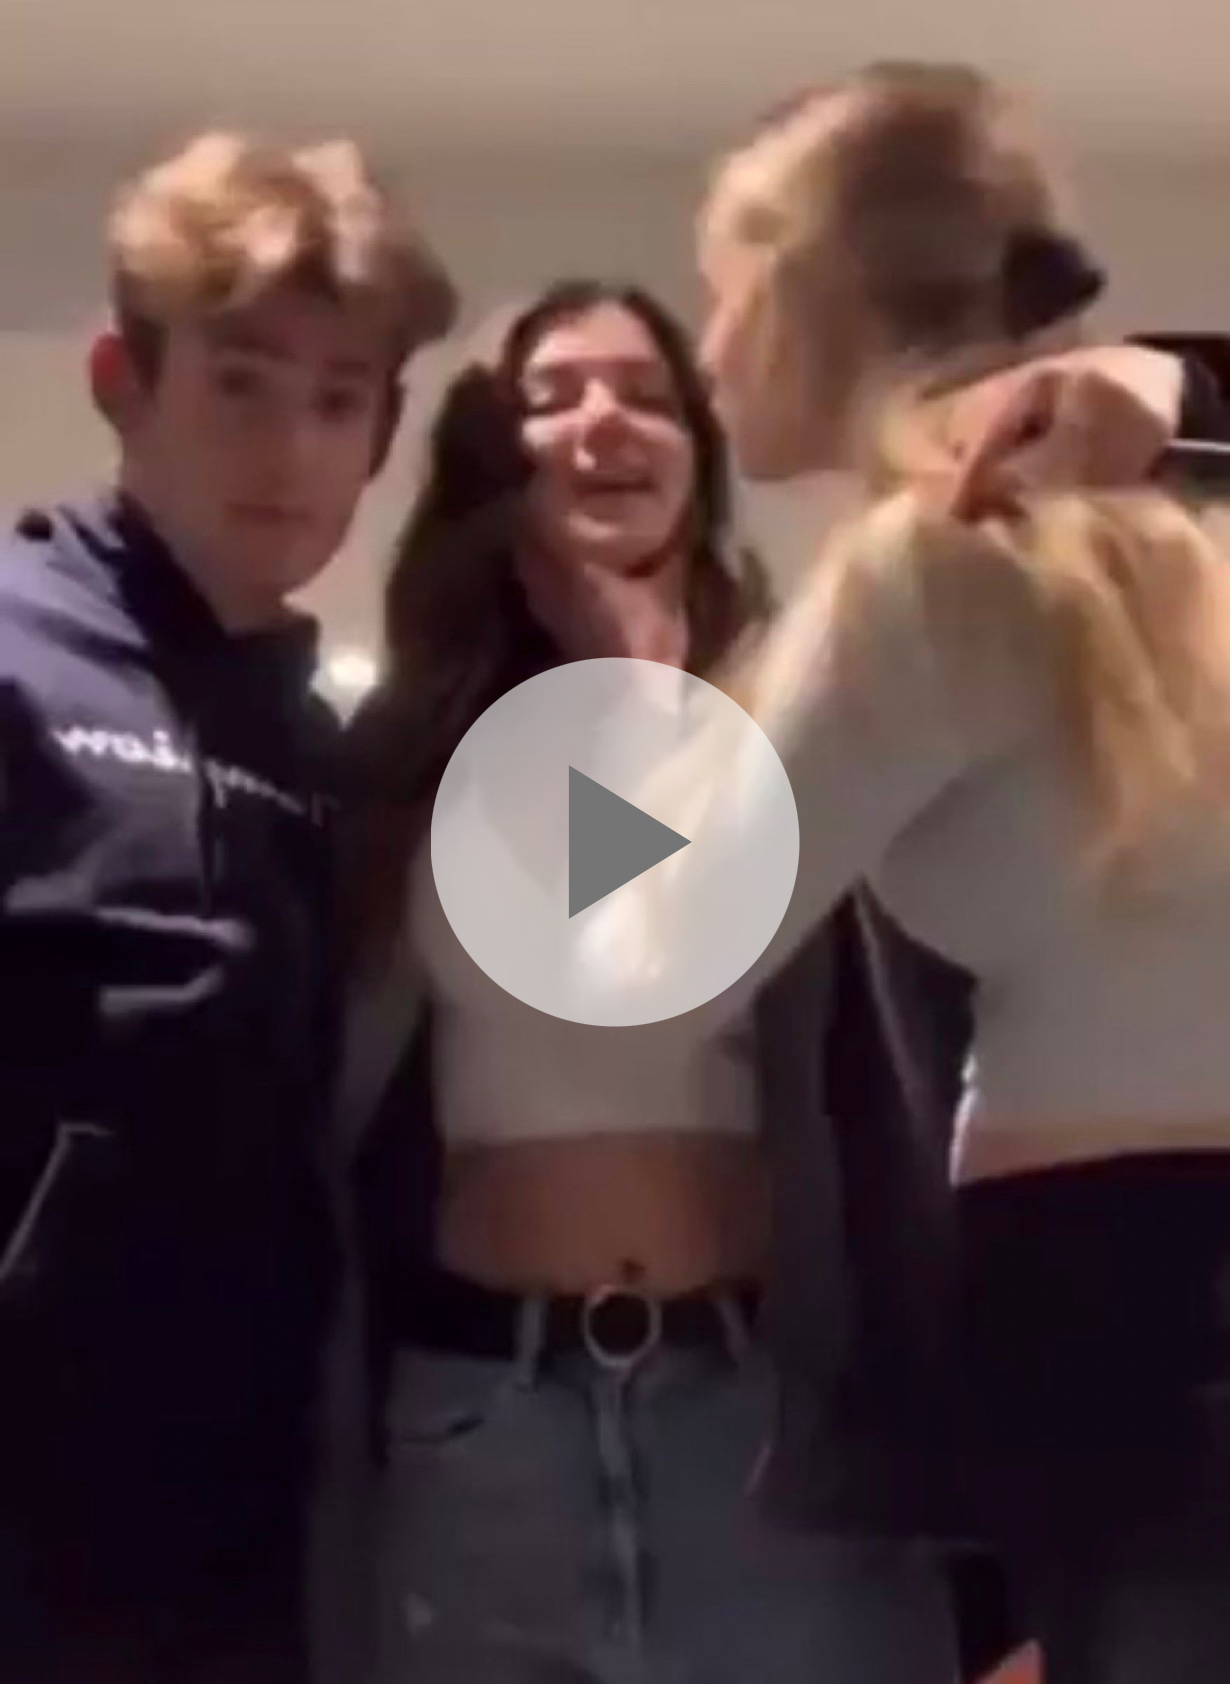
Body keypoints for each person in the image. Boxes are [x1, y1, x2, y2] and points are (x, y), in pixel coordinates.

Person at [566, 62, 1230, 1684]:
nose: (708, 349)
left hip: (1129, 1310)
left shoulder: (933, 558)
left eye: (721, 292)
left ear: (804, 293)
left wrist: (618, 706)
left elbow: (646, 954)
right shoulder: (1161, 528)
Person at [336, 277, 961, 1684]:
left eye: (646, 395)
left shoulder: (793, 722)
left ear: (699, 454)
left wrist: (643, 683)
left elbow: (673, 970)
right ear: (492, 462)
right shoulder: (405, 752)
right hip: (482, 1433)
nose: (602, 422)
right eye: (551, 398)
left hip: (755, 1426)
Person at [0, 131, 455, 1681]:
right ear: (122, 382)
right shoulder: (17, 657)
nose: (290, 449)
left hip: (253, 1531)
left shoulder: (326, 750)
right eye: (242, 383)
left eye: (338, 401)